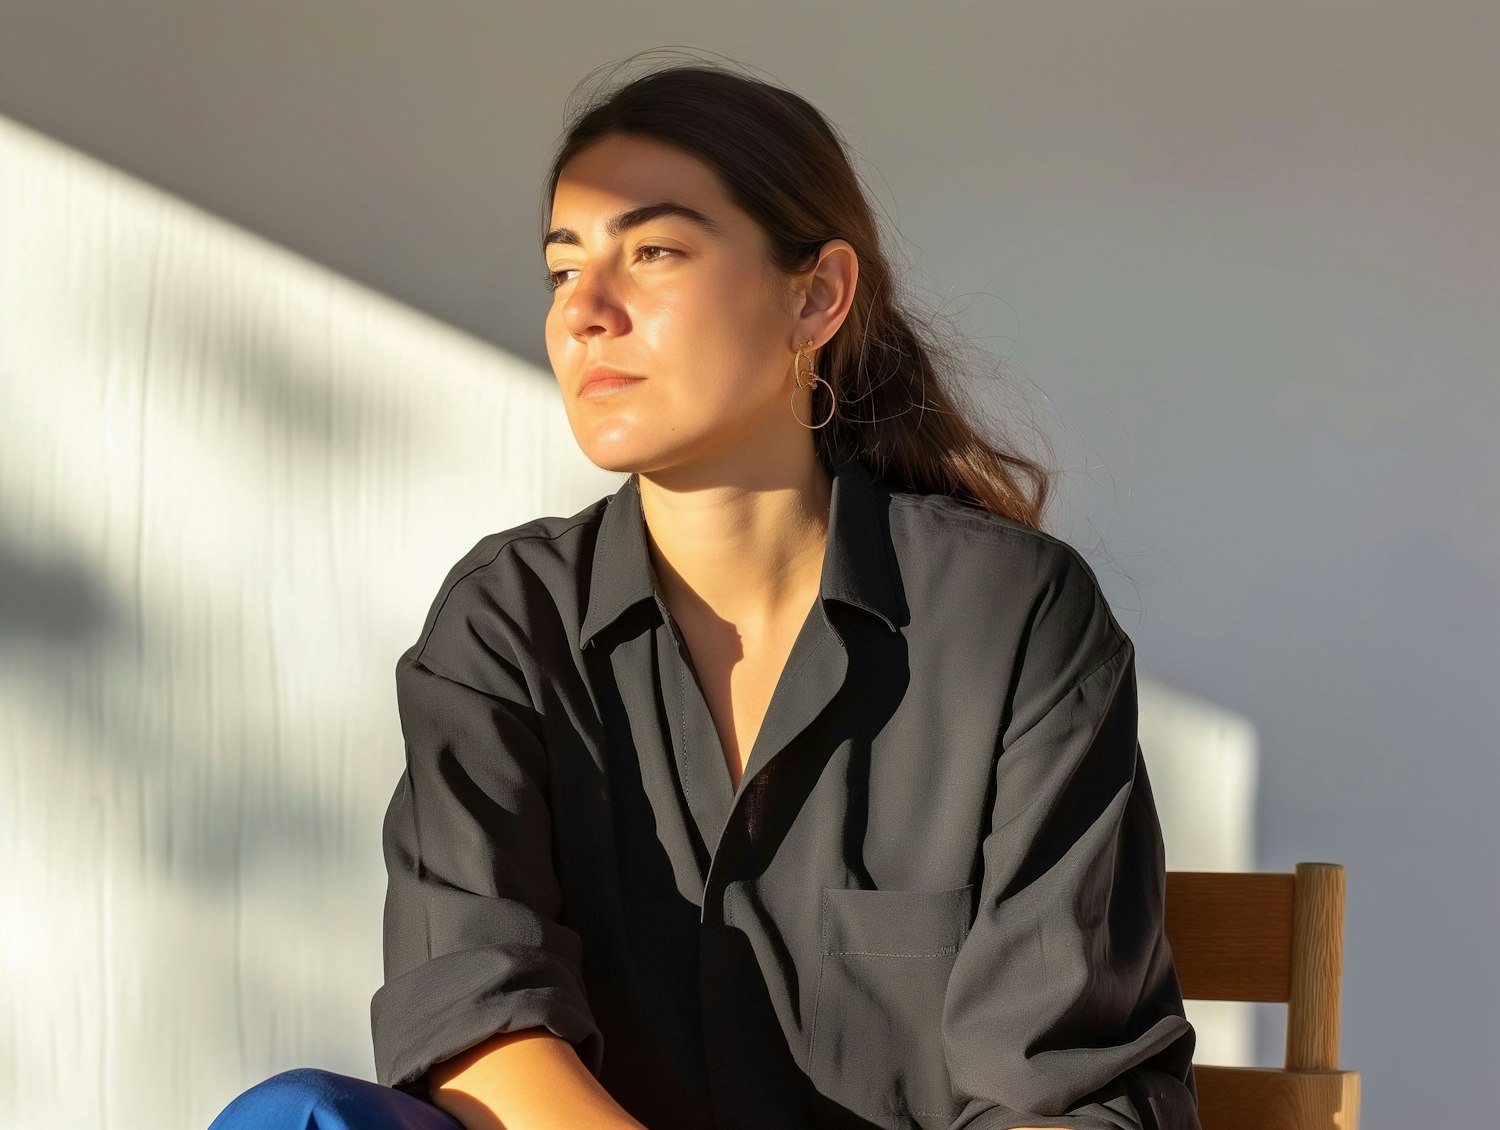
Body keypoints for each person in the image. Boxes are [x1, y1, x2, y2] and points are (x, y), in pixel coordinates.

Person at [210, 51, 1199, 1130]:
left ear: (816, 296)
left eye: (654, 252)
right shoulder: (504, 625)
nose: (586, 310)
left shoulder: (1011, 621)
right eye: (562, 270)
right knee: (292, 1118)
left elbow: (1063, 1089)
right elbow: (473, 1016)